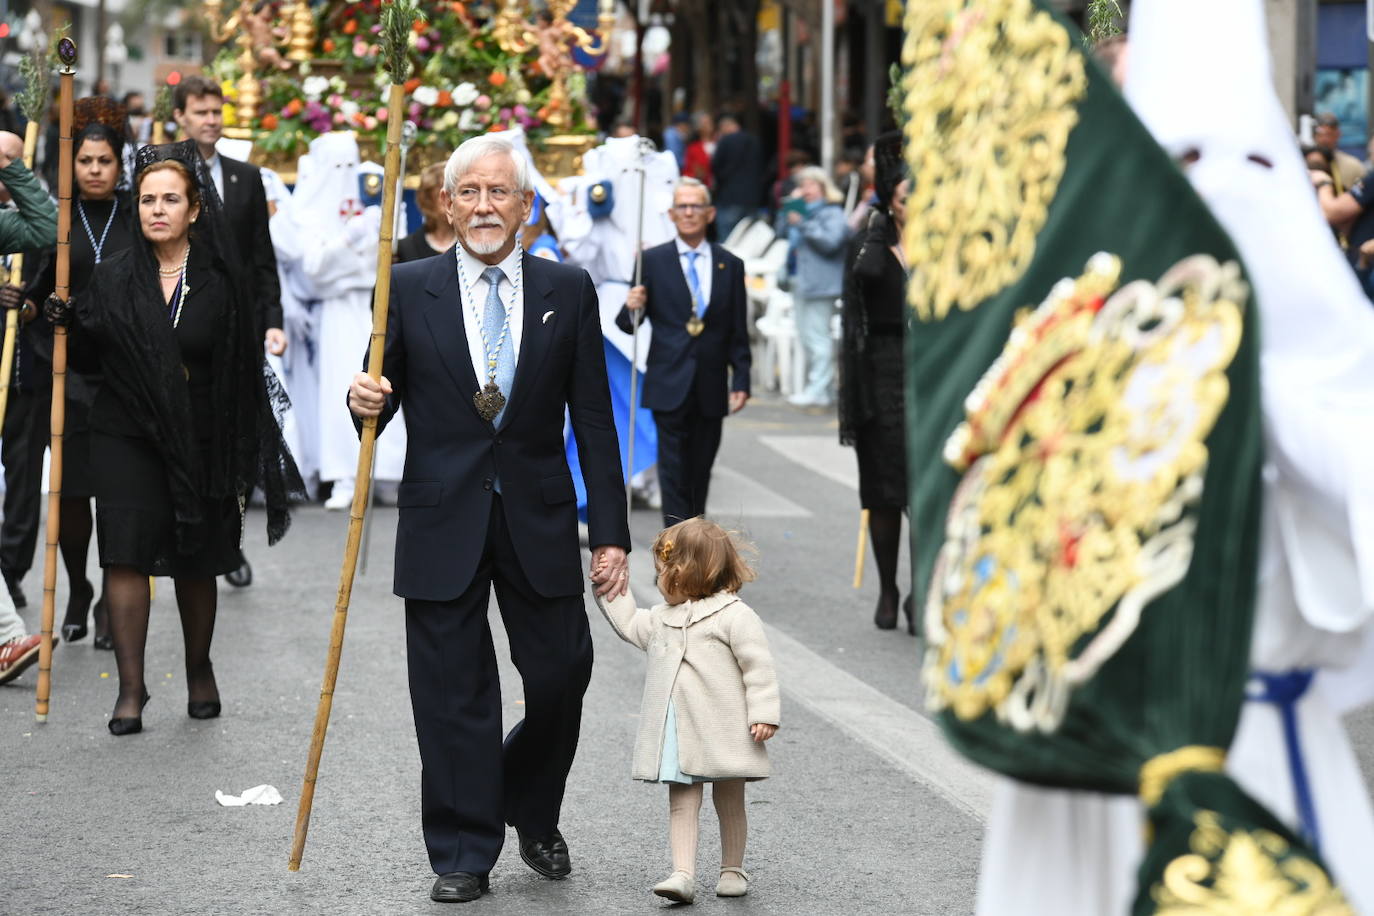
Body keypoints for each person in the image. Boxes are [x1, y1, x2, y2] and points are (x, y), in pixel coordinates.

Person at [346, 134, 631, 904]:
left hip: (538, 514)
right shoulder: (405, 286)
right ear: (447, 203)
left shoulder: (566, 289)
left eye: (499, 192)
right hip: (443, 516)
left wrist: (610, 534)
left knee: (563, 675)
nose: (483, 206)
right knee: (450, 691)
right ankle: (464, 849)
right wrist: (360, 401)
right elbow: (381, 389)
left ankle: (527, 805)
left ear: (526, 207)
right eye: (468, 192)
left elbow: (595, 422)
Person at [49, 141, 302, 735]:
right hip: (125, 431)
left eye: (170, 199)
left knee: (195, 557)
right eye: (146, 200)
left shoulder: (219, 281)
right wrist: (68, 320)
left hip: (200, 435)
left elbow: (240, 372)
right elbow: (89, 358)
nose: (156, 209)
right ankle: (131, 691)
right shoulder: (113, 277)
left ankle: (198, 668)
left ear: (194, 210)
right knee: (125, 550)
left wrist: (233, 448)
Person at [593, 517, 780, 904]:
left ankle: (732, 868)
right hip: (679, 727)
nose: (659, 579)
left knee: (729, 798)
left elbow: (758, 666)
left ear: (685, 574)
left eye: (663, 572)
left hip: (726, 726)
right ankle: (683, 873)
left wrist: (763, 712)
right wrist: (607, 585)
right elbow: (628, 622)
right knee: (682, 799)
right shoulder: (662, 618)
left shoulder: (734, 615)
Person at [24, 109, 137, 648]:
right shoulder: (58, 220)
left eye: (105, 161)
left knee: (117, 495)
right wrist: (28, 304)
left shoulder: (138, 215)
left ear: (120, 164)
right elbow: (36, 288)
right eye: (85, 161)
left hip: (124, 376)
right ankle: (76, 588)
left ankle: (113, 602)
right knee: (70, 494)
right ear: (72, 165)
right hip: (68, 375)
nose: (95, 169)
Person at [174, 74, 284, 587]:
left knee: (235, 438)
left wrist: (272, 321)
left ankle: (229, 543)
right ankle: (185, 533)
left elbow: (263, 258)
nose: (211, 120)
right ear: (182, 117)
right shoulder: (167, 175)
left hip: (237, 326)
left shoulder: (246, 178)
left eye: (217, 111)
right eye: (201, 112)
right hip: (181, 320)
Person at [619, 177, 750, 527]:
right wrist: (631, 305)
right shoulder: (652, 260)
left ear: (709, 214)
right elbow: (629, 323)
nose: (689, 212)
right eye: (682, 207)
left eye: (695, 206)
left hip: (709, 383)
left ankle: (696, 551)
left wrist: (742, 378)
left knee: (700, 472)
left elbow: (738, 329)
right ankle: (676, 549)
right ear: (672, 214)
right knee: (674, 472)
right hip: (668, 380)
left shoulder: (729, 264)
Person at [290, 132, 406, 510]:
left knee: (385, 381)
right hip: (337, 310)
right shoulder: (308, 210)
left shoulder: (372, 195)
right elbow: (314, 270)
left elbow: (394, 251)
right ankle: (344, 474)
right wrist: (349, 243)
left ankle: (387, 472)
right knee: (343, 388)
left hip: (375, 301)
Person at [839, 132, 912, 633]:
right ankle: (889, 588)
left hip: (930, 372)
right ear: (891, 198)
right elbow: (853, 321)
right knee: (884, 493)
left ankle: (923, 592)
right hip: (879, 374)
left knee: (925, 495)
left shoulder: (950, 244)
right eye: (909, 197)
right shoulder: (870, 242)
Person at [0, 132, 60, 612]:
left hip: (26, 373)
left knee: (23, 482)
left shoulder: (18, 215)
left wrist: (12, 168)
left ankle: (8, 571)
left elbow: (48, 228)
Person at [783, 166, 849, 408]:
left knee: (818, 338)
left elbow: (831, 242)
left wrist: (802, 223)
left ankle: (817, 389)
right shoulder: (801, 212)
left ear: (824, 188)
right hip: (801, 281)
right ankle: (823, 389)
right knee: (806, 336)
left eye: (812, 184)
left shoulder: (832, 213)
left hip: (821, 284)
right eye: (803, 184)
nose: (806, 189)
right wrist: (791, 211)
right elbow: (786, 236)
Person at [711, 115, 763, 240]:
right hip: (752, 198)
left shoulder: (725, 141)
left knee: (727, 241)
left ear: (725, 127)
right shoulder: (754, 141)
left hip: (729, 198)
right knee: (748, 241)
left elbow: (715, 166)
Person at [395, 163, 454, 263]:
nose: (451, 199)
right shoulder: (406, 247)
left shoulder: (470, 244)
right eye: (443, 193)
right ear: (428, 199)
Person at [1314, 112, 1364, 194]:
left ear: (1338, 135)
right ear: (1315, 136)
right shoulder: (1304, 164)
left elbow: (1362, 196)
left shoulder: (1353, 167)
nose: (1325, 139)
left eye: (1329, 134)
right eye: (1321, 135)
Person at [682, 113, 714, 187]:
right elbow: (687, 172)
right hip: (702, 187)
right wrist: (696, 175)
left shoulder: (719, 143)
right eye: (705, 123)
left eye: (709, 122)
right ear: (698, 127)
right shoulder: (693, 148)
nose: (708, 125)